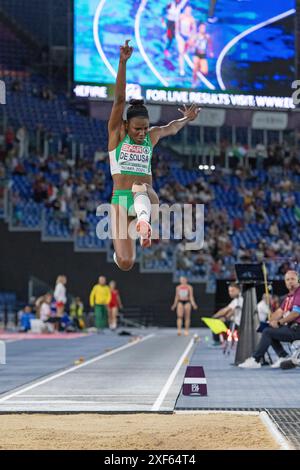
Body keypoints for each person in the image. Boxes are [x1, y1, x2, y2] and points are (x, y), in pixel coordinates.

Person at [108, 40, 200, 271]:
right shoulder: (117, 134)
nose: (141, 133)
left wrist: (186, 119)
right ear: (127, 125)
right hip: (120, 201)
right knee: (127, 263)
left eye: (144, 128)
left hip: (147, 198)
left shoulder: (152, 136)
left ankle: (143, 223)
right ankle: (130, 238)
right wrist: (122, 62)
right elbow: (119, 100)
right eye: (137, 128)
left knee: (142, 187)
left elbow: (172, 127)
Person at [239, 270, 300, 369]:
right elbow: (279, 312)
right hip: (292, 328)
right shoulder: (289, 297)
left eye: (292, 279)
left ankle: (256, 359)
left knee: (268, 332)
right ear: (285, 282)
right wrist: (271, 321)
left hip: (297, 329)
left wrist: (279, 322)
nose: (290, 281)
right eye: (287, 279)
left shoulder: (299, 293)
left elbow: (296, 313)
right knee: (268, 329)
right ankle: (283, 356)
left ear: (298, 280)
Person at [177, 6, 197, 76]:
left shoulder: (192, 20)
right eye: (187, 10)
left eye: (189, 11)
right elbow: (177, 26)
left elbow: (194, 30)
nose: (188, 12)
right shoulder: (181, 17)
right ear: (185, 10)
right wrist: (177, 35)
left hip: (188, 37)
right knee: (181, 53)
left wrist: (192, 39)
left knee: (189, 51)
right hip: (181, 37)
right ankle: (181, 69)